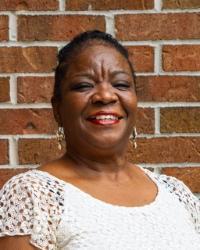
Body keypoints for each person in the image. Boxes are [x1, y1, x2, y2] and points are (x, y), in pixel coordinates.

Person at [0, 30, 199, 250]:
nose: (105, 95)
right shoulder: (32, 195)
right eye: (84, 86)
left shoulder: (176, 194)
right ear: (57, 108)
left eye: (121, 85)